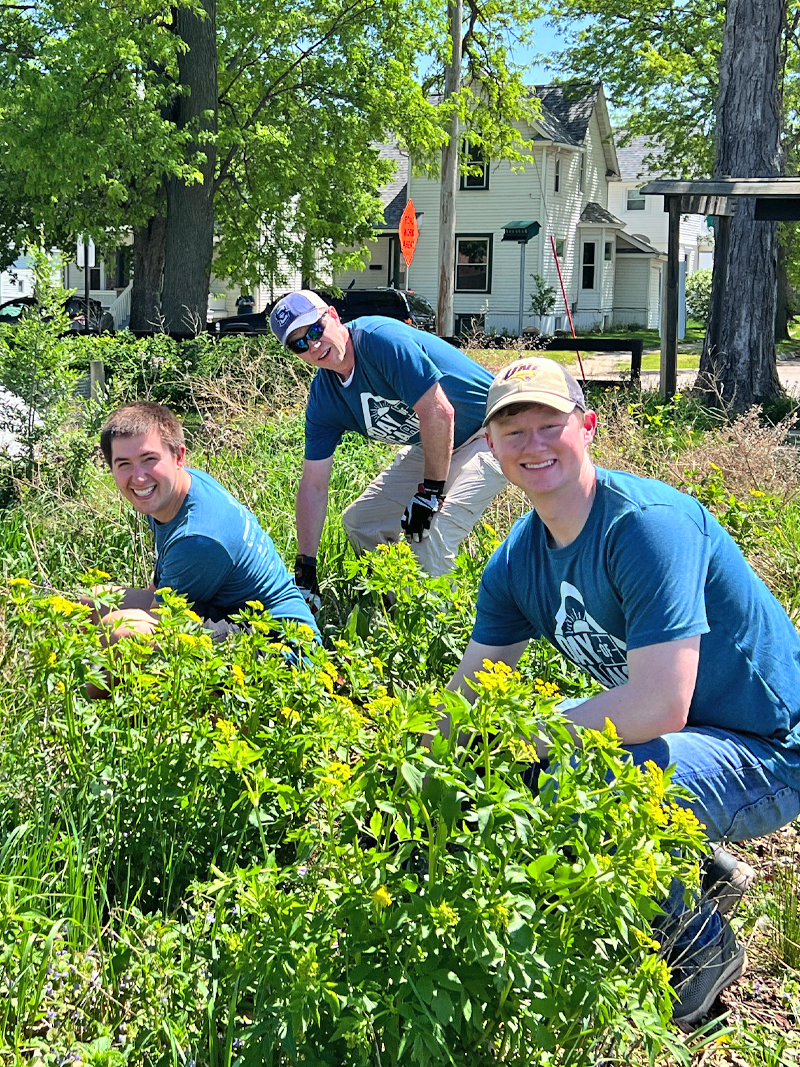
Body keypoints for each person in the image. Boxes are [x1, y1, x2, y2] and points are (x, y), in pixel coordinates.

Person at [442, 355, 800, 1030]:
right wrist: (414, 766)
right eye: (512, 431)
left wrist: (528, 737)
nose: (533, 444)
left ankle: (701, 947)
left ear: (589, 425)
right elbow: (472, 695)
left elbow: (658, 704)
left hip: (774, 751)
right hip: (696, 742)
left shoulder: (644, 526)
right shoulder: (518, 560)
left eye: (550, 423)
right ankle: (707, 869)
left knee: (582, 775)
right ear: (489, 446)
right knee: (515, 755)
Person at [269, 289, 507, 604]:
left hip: (493, 431)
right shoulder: (325, 398)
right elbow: (314, 485)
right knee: (362, 522)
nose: (313, 345)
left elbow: (439, 411)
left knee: (430, 529)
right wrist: (306, 567)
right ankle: (398, 610)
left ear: (335, 317)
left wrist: (430, 495)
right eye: (299, 343)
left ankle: (439, 625)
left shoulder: (379, 340)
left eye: (315, 330)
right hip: (433, 442)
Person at [92, 401, 318, 643]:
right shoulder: (174, 489)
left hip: (281, 642)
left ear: (178, 456)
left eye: (149, 459)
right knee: (94, 601)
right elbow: (159, 591)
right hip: (230, 615)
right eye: (124, 464)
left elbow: (158, 618)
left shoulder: (198, 538)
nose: (138, 477)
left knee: (120, 633)